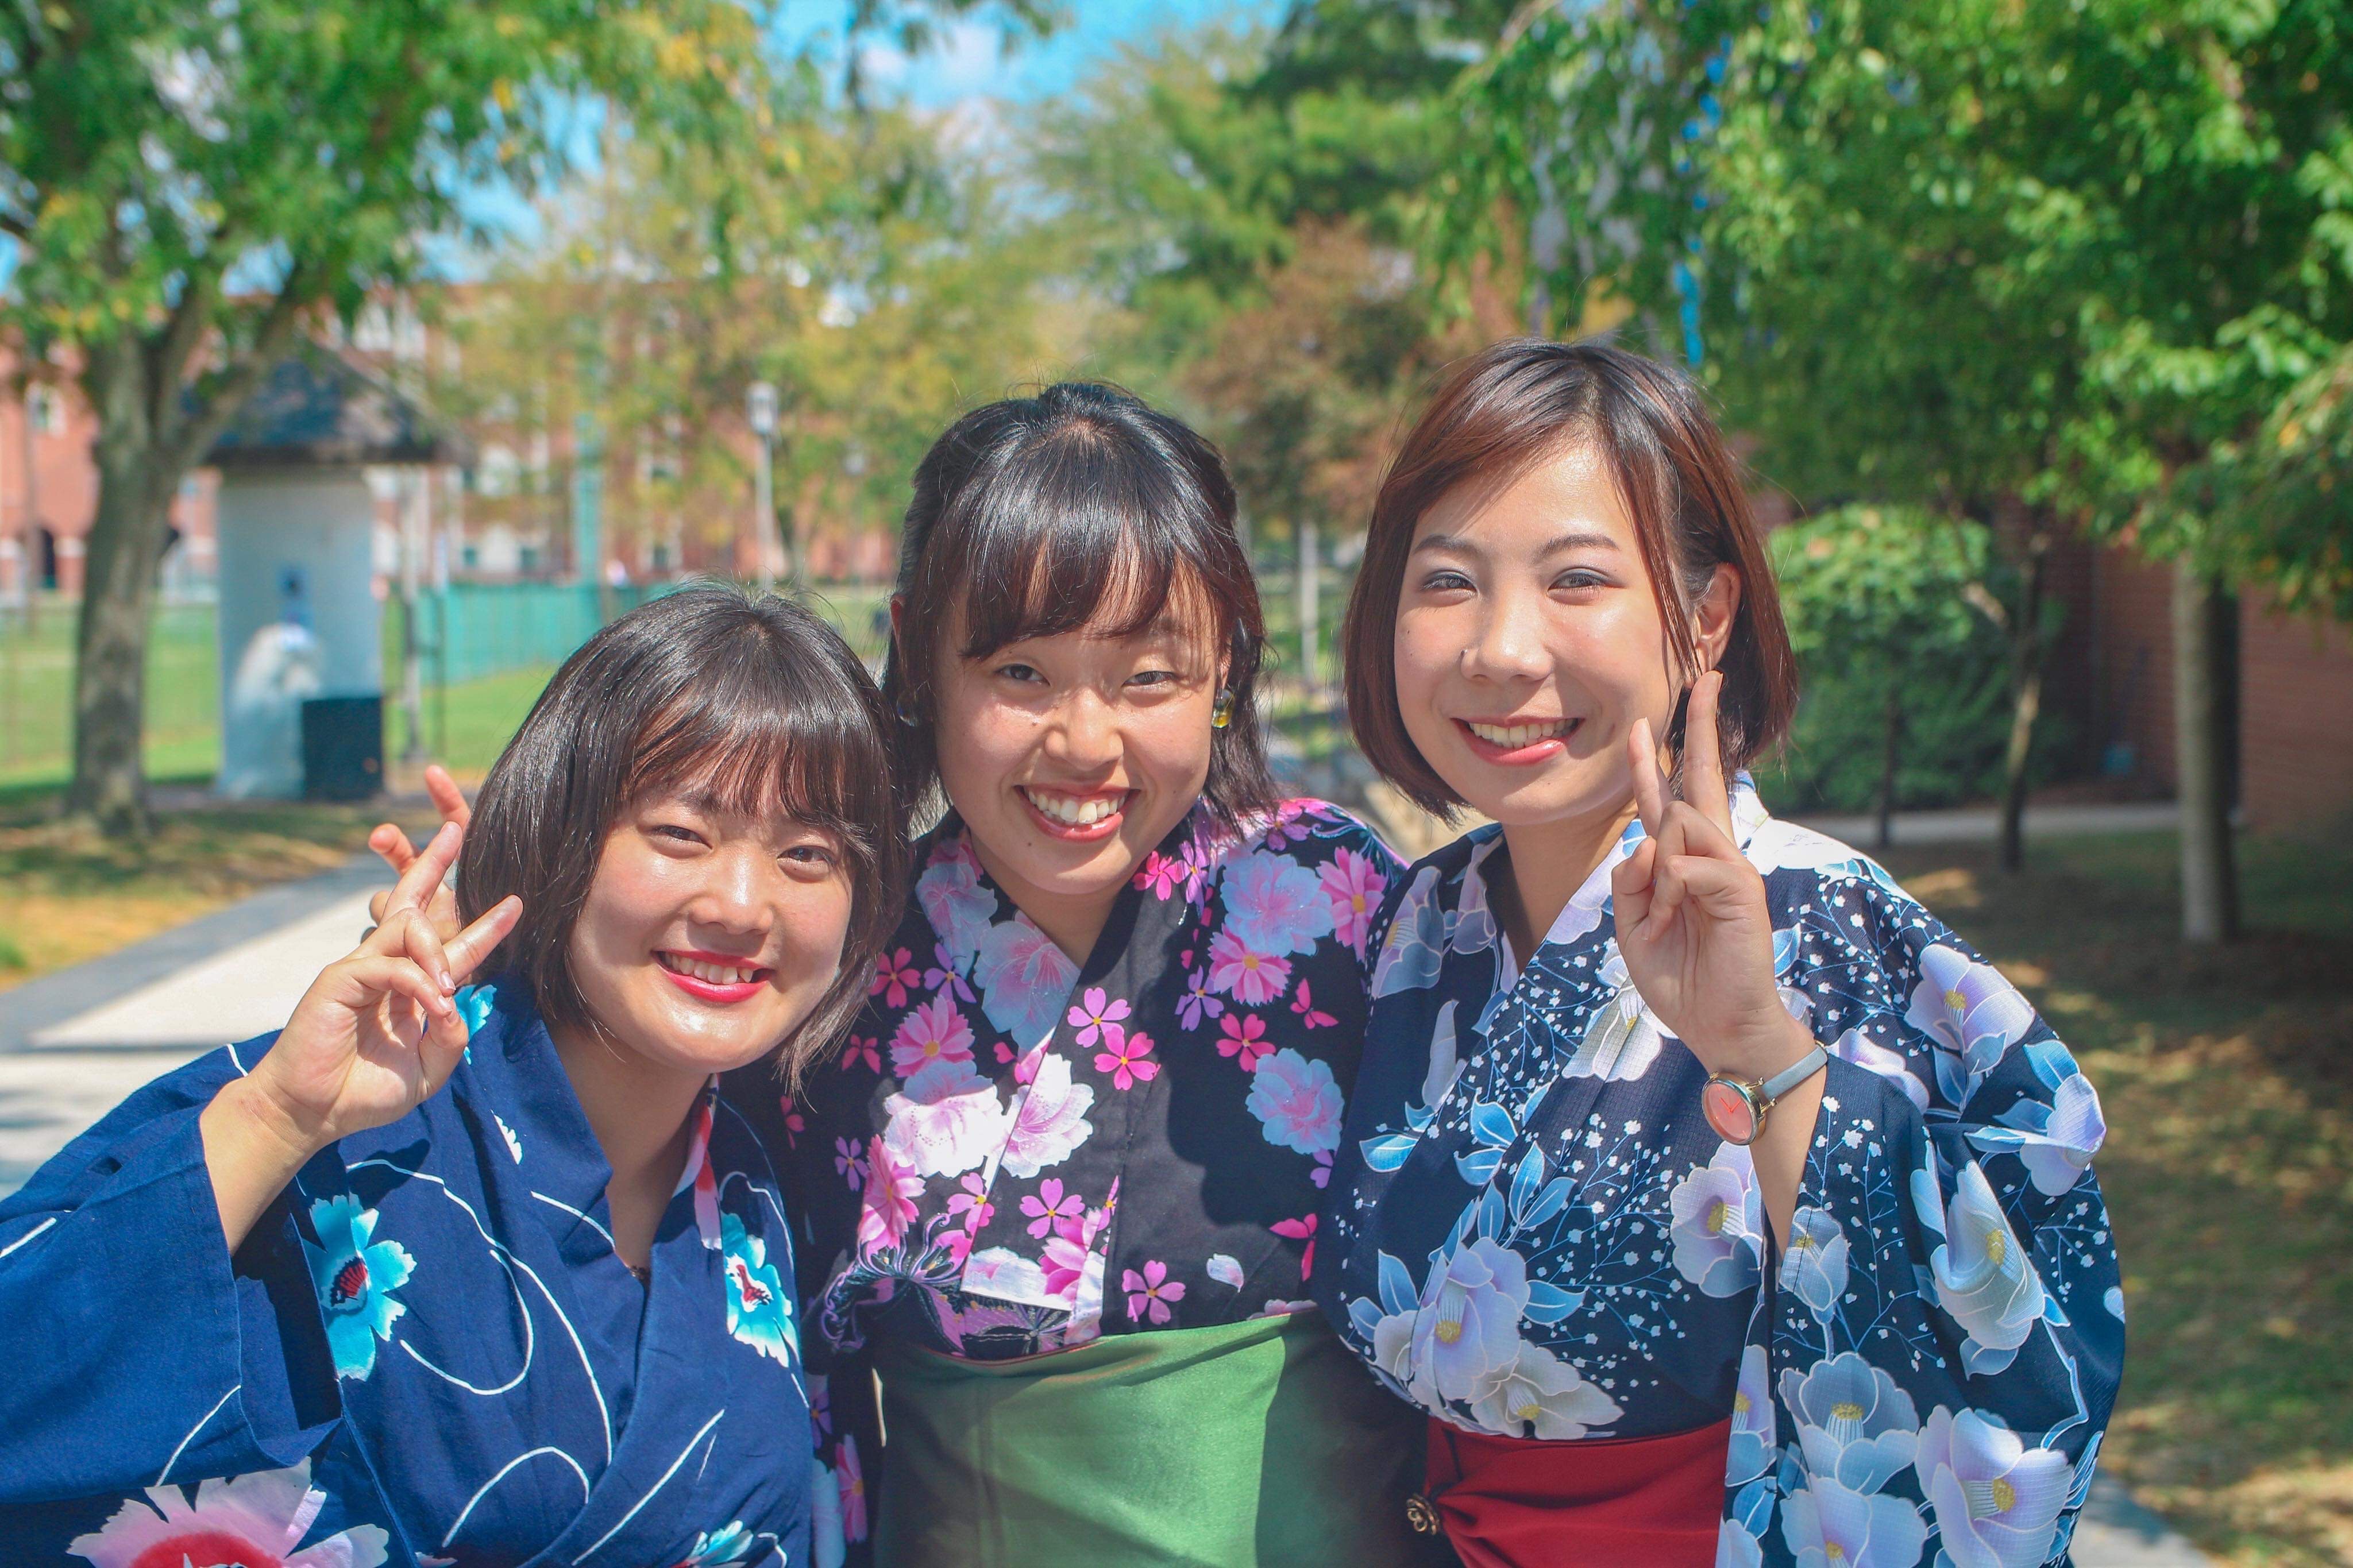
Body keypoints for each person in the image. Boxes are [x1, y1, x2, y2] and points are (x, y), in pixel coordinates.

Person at [1315, 340, 2123, 1567]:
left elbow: (2014, 1345)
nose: (1499, 650)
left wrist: (1760, 1048)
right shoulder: (1419, 928)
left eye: (1574, 580)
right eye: (1445, 583)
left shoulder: (1831, 924)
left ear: (1702, 619)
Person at [0, 586, 904, 1568]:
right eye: (681, 832)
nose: (742, 903)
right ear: (563, 835)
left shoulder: (765, 1183)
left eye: (808, 854)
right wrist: (274, 1119)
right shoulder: (342, 1099)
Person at [761, 383, 1434, 1565]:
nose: (1084, 742)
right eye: (1019, 674)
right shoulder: (837, 953)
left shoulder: (1339, 904)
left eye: (1147, 678)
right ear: (917, 657)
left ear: (1223, 664)